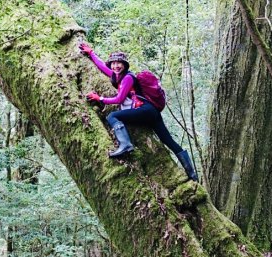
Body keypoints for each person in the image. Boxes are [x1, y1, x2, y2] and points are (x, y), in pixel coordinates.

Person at [79, 43, 198, 182]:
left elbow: (119, 99)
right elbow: (102, 67)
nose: (116, 66)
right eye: (113, 63)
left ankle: (125, 145)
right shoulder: (117, 76)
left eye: (119, 63)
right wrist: (91, 53)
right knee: (168, 141)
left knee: (113, 116)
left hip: (145, 110)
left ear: (125, 65)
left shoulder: (128, 78)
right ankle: (192, 175)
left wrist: (100, 98)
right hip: (151, 112)